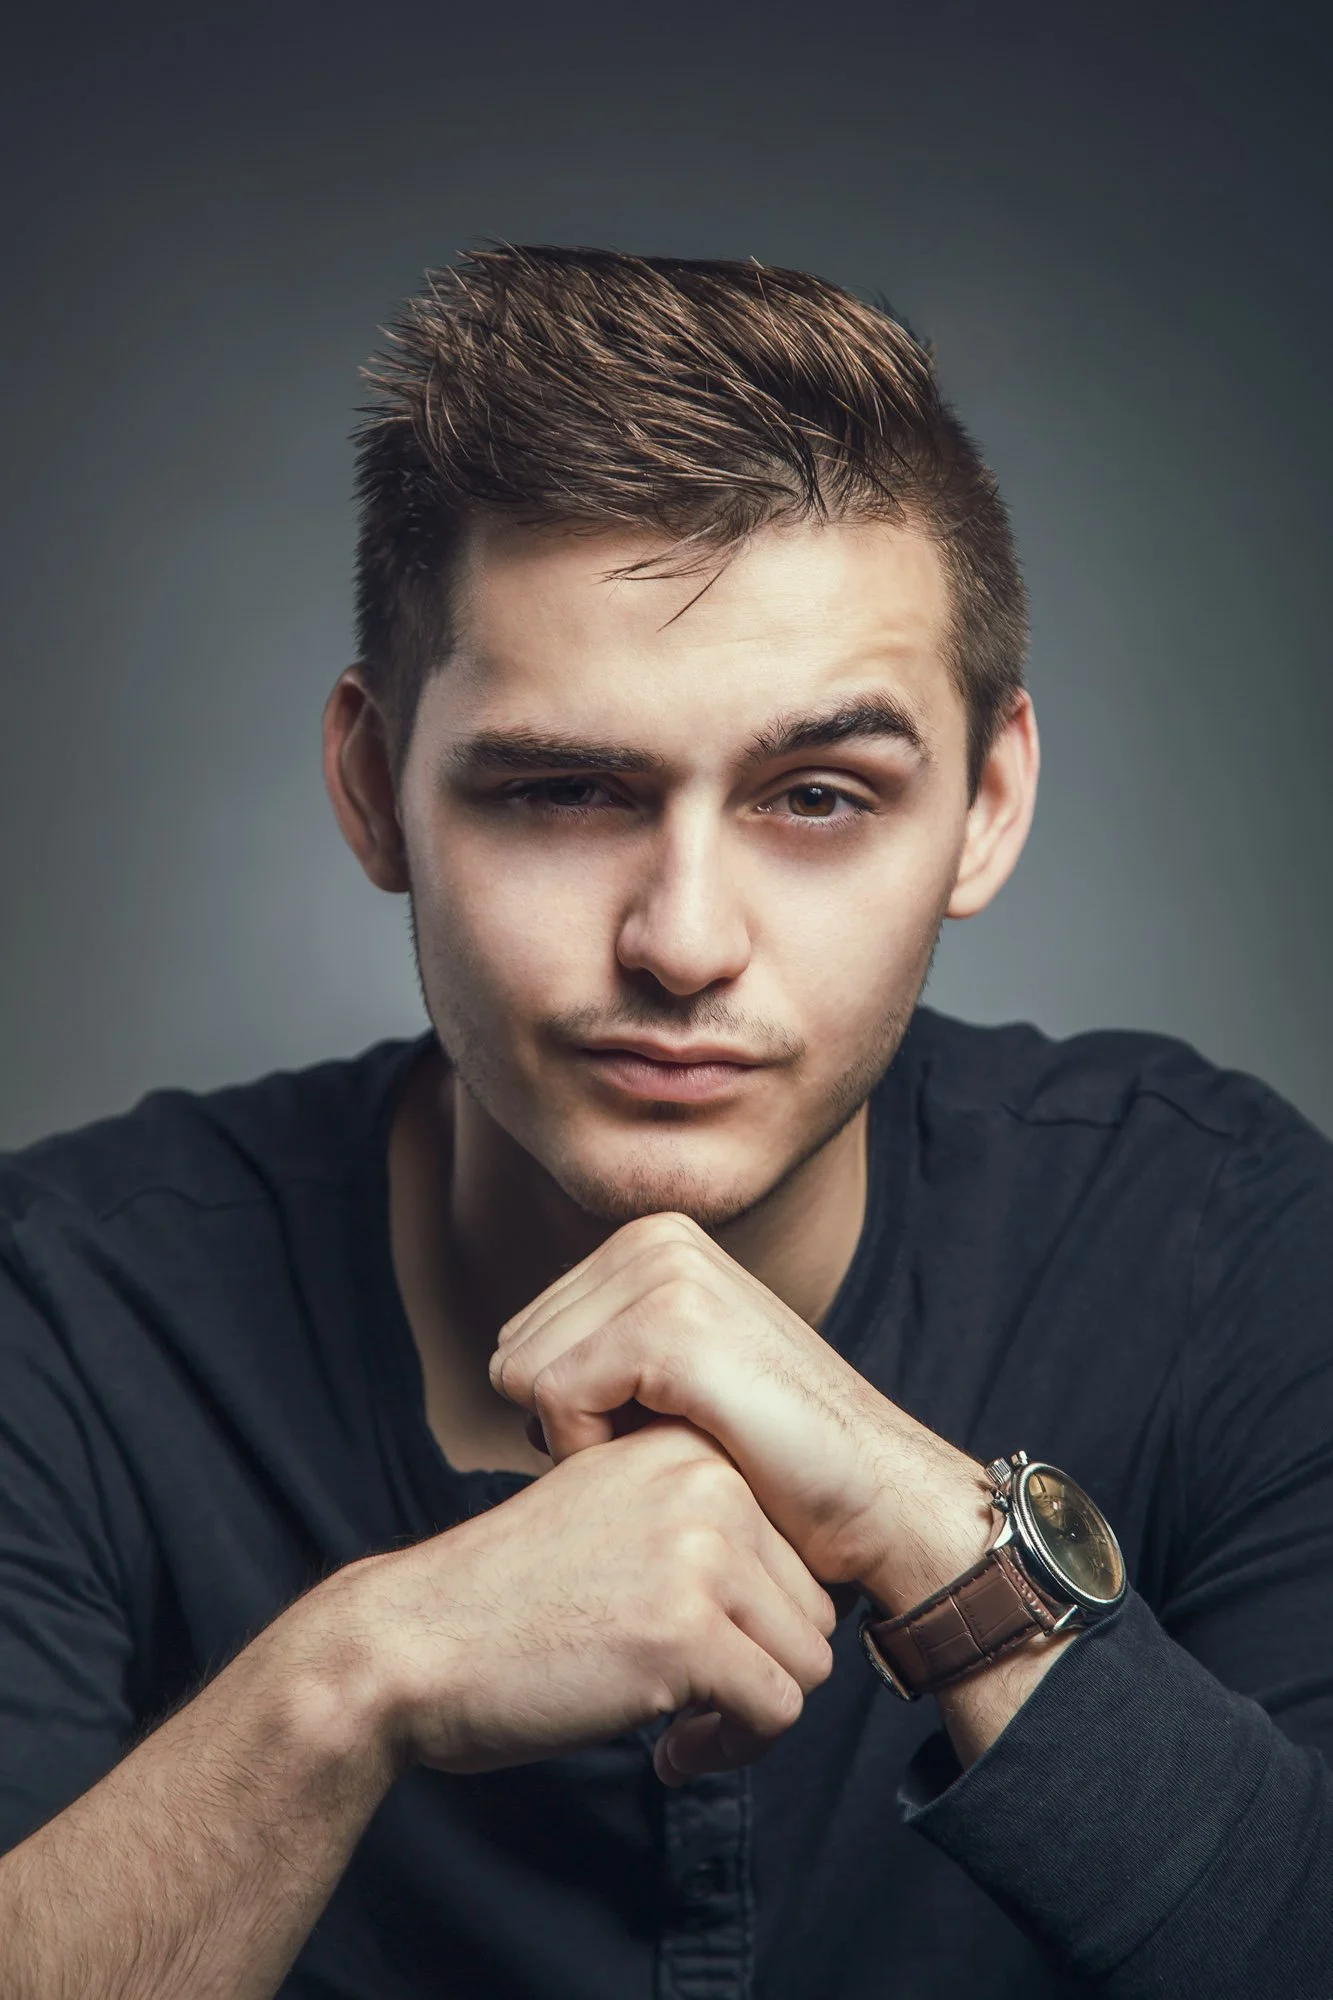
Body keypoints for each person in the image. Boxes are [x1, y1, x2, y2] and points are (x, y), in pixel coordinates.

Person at [0, 245, 1329, 2000]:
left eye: (819, 796)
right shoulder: (67, 1314)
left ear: (988, 807)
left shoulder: (1223, 1243)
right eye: (562, 790)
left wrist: (937, 1534)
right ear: (370, 786)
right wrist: (352, 1678)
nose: (684, 942)